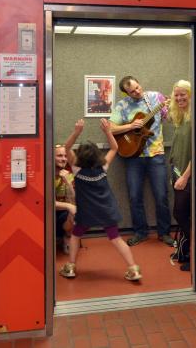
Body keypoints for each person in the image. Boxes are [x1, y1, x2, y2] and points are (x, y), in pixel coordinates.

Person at [59, 118, 142, 281]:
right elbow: (114, 147)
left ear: (79, 156)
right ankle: (133, 269)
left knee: (76, 235)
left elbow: (66, 147)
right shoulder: (103, 166)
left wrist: (77, 132)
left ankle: (70, 267)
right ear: (97, 155)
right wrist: (107, 131)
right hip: (106, 209)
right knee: (116, 238)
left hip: (86, 212)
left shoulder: (76, 168)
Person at [109, 75, 173, 247]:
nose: (137, 92)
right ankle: (140, 232)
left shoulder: (156, 98)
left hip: (156, 154)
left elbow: (170, 118)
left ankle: (165, 233)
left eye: (137, 87)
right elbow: (111, 128)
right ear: (126, 93)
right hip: (133, 157)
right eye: (132, 91)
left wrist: (170, 106)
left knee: (161, 195)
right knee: (134, 196)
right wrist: (131, 126)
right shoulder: (123, 105)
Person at [168, 80, 191, 272]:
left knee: (181, 213)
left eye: (183, 94)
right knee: (183, 213)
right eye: (176, 95)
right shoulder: (180, 117)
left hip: (188, 175)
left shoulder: (193, 119)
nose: (179, 97)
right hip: (177, 173)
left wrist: (184, 177)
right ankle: (185, 251)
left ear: (191, 94)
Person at [55, 145, 76, 254]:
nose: (63, 159)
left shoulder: (69, 174)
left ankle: (67, 236)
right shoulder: (46, 175)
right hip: (47, 213)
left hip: (63, 213)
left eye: (65, 156)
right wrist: (68, 206)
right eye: (59, 156)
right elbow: (46, 202)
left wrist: (67, 182)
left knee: (76, 212)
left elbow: (74, 199)